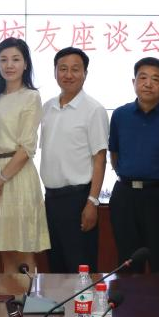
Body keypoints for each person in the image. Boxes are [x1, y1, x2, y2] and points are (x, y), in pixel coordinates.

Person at [107, 56, 159, 276]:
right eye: (143, 78)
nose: (148, 84)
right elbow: (114, 155)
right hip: (125, 195)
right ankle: (127, 301)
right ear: (133, 82)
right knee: (127, 260)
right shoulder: (120, 115)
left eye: (155, 79)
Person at [0, 37, 47, 272]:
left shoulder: (31, 96)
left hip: (16, 176)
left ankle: (27, 296)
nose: (9, 65)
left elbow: (27, 147)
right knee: (5, 250)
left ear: (25, 64)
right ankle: (8, 295)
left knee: (22, 249)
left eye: (16, 59)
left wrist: (0, 180)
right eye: (3, 60)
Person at [39, 47, 108, 273]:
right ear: (55, 72)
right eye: (63, 69)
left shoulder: (94, 109)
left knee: (80, 270)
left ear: (85, 73)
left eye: (75, 69)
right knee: (56, 269)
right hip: (51, 199)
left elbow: (100, 159)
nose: (68, 75)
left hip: (78, 200)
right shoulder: (47, 108)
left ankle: (83, 301)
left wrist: (92, 202)